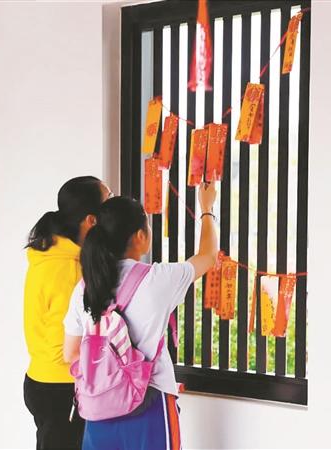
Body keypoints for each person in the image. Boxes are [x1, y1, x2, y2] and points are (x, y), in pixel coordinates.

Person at [63, 182, 218, 450]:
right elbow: (207, 256)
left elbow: (71, 353)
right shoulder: (157, 279)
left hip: (97, 411)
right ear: (139, 236)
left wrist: (108, 376)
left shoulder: (84, 288)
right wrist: (207, 209)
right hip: (150, 402)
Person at [23, 176, 114, 450]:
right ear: (91, 220)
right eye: (109, 202)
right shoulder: (70, 269)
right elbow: (65, 345)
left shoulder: (49, 253)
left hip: (42, 380)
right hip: (61, 387)